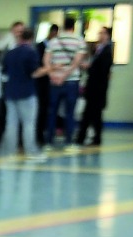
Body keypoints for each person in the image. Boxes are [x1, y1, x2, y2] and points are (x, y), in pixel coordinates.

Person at [1, 26, 47, 162]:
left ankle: (10, 152)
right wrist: (48, 69)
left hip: (10, 92)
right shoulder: (31, 52)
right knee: (28, 123)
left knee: (11, 123)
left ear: (20, 37)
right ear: (31, 38)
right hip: (26, 92)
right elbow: (34, 72)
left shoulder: (10, 53)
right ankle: (31, 151)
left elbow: (4, 72)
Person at [44, 17, 86, 150]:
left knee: (52, 112)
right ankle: (69, 143)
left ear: (63, 26)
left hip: (54, 82)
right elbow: (77, 63)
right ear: (74, 27)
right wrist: (65, 76)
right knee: (70, 112)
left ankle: (48, 143)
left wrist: (52, 75)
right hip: (71, 82)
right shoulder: (79, 41)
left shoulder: (53, 41)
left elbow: (46, 60)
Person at [77, 27, 114, 147]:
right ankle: (85, 137)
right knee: (91, 114)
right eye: (99, 33)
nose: (100, 35)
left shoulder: (107, 51)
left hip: (98, 88)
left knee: (93, 114)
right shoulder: (98, 49)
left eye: (103, 33)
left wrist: (89, 67)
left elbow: (102, 70)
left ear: (108, 35)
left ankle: (87, 137)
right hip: (93, 87)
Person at [35, 24, 59, 147]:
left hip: (52, 82)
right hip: (42, 83)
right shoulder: (40, 46)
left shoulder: (56, 47)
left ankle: (47, 133)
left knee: (48, 110)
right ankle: (39, 135)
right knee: (41, 109)